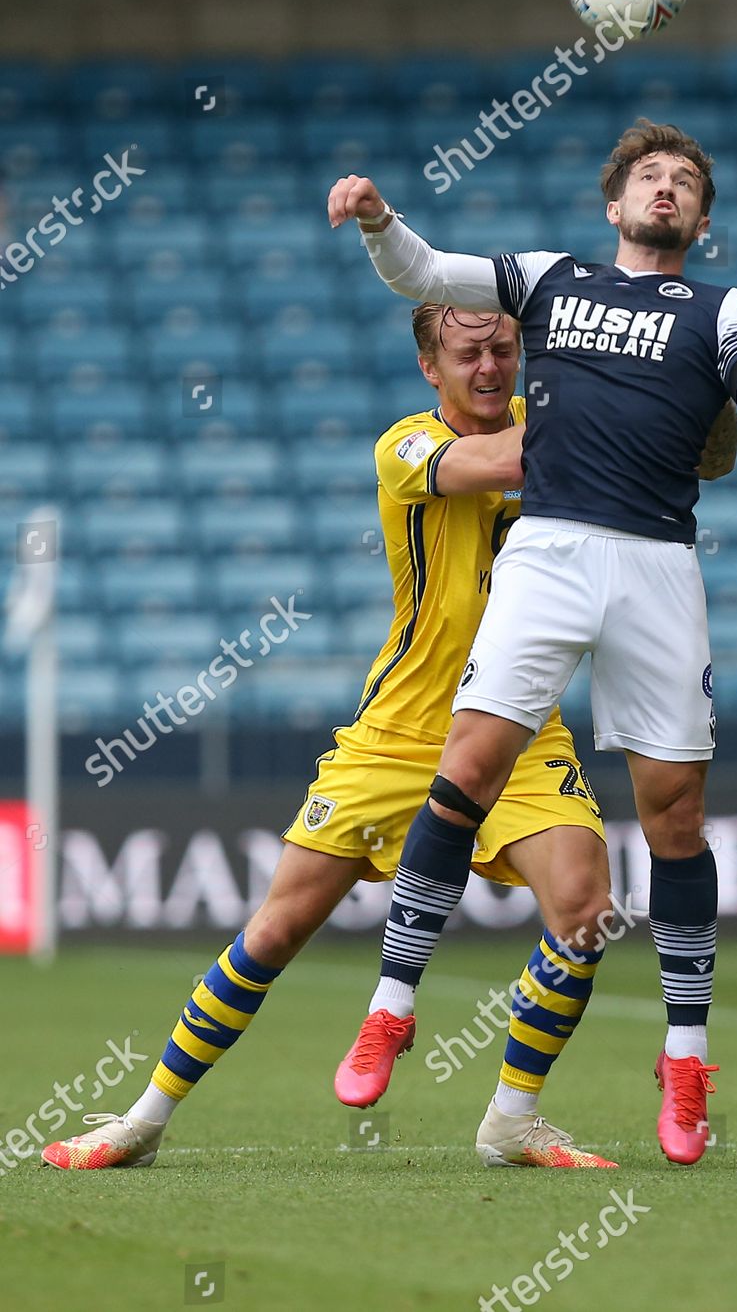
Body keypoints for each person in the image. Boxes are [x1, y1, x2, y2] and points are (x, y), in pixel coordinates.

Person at [41, 302, 622, 1173]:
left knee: (586, 910)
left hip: (521, 731)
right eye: (469, 354)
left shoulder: (552, 423)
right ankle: (143, 1120)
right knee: (275, 930)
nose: (492, 366)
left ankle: (513, 1118)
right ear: (432, 368)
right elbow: (500, 464)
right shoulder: (406, 447)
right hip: (396, 736)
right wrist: (625, 436)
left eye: (505, 348)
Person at [327, 118, 737, 1166]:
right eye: (648, 176)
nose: (664, 189)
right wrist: (375, 219)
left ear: (701, 217)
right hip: (547, 551)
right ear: (614, 204)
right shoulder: (550, 279)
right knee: (470, 765)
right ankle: (392, 1006)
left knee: (674, 815)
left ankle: (683, 1064)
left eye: (682, 181)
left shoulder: (717, 305)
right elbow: (424, 269)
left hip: (656, 567)